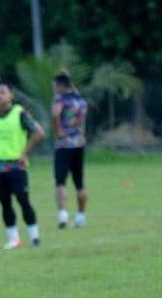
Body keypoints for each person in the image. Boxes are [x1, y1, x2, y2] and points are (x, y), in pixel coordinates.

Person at [0, 79, 46, 249]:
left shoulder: (20, 114)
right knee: (4, 203)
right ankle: (14, 239)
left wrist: (25, 152)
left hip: (16, 166)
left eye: (3, 92)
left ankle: (34, 237)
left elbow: (39, 132)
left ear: (11, 95)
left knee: (23, 200)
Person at [52, 71, 89, 228]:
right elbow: (82, 119)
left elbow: (55, 114)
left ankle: (63, 215)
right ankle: (81, 216)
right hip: (79, 143)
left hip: (64, 144)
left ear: (60, 86)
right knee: (79, 183)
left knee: (61, 182)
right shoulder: (81, 100)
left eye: (55, 86)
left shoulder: (60, 99)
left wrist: (58, 129)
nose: (54, 89)